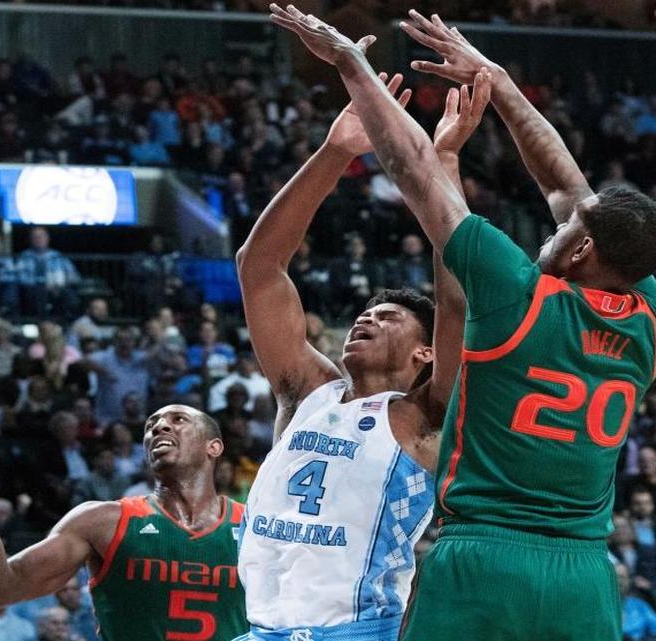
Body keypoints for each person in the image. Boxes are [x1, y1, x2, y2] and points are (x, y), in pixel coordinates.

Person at [274, 7, 656, 640]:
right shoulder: (648, 310)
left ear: (580, 253)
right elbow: (569, 188)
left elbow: (411, 168)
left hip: (485, 556)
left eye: (565, 228)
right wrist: (499, 83)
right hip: (585, 574)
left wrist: (351, 64)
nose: (557, 220)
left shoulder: (516, 293)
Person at [232, 63, 469, 640]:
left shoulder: (425, 418)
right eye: (366, 312)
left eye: (388, 318)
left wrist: (445, 169)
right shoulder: (306, 390)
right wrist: (335, 152)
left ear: (425, 354)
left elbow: (459, 302)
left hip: (355, 631)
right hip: (261, 627)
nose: (367, 317)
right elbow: (258, 267)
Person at [0, 402, 247, 641]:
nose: (159, 427)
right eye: (152, 424)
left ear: (214, 447)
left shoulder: (255, 526)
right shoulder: (101, 521)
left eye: (178, 420)